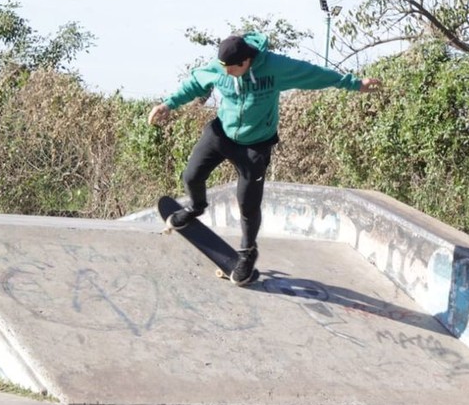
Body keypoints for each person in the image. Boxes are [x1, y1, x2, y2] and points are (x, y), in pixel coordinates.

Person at [148, 31, 381, 285]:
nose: (225, 74)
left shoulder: (276, 67)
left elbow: (314, 74)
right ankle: (196, 206)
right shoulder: (221, 67)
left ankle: (247, 252)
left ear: (245, 62)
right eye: (222, 68)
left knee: (247, 204)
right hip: (222, 133)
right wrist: (167, 104)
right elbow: (195, 82)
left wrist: (355, 84)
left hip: (255, 145)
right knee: (191, 175)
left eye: (231, 69)